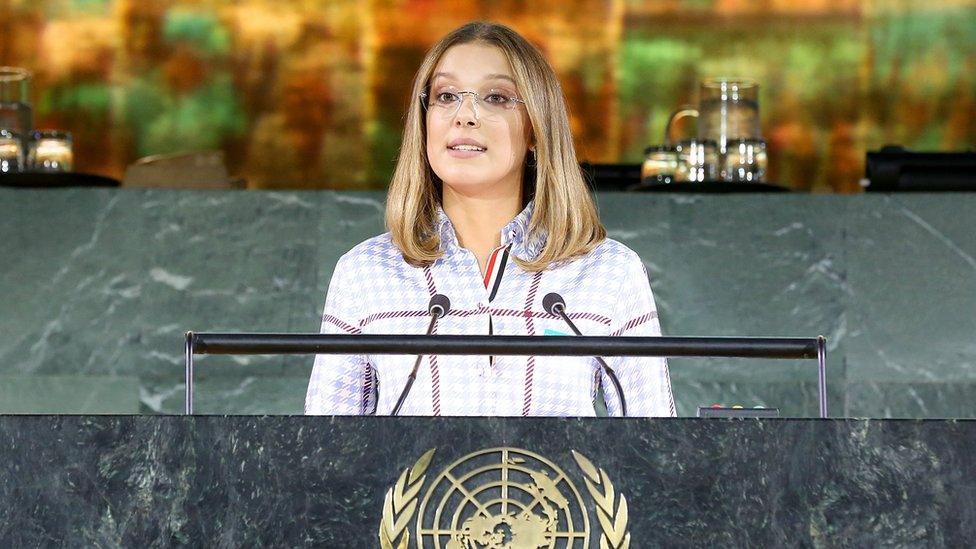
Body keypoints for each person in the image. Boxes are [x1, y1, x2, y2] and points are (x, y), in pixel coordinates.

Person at [305, 21, 675, 417]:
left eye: (496, 97)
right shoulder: (364, 273)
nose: (465, 116)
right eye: (446, 96)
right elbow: (325, 461)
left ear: (536, 129)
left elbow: (654, 456)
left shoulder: (610, 272)